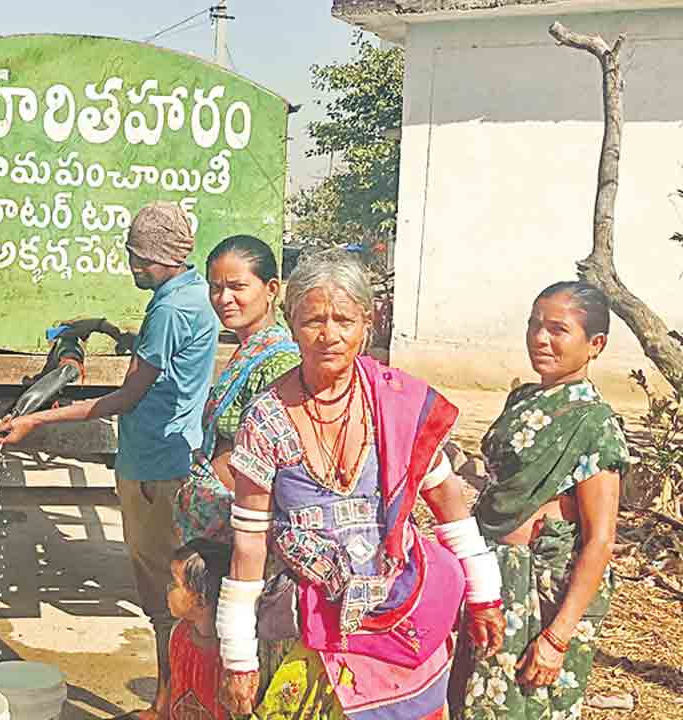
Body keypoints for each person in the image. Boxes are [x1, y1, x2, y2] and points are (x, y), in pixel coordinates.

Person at [214, 248, 506, 720]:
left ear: (366, 323)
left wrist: (483, 595)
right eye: (314, 321)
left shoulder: (398, 403)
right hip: (308, 626)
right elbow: (248, 546)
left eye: (343, 320)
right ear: (291, 325)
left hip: (403, 620)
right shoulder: (267, 420)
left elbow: (449, 506)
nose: (329, 335)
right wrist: (239, 657)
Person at [0, 202, 220, 720]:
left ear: (166, 257)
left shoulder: (168, 308)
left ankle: (167, 703)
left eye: (141, 259)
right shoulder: (188, 296)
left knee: (168, 597)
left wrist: (38, 420)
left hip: (153, 465)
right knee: (179, 589)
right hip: (174, 454)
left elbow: (123, 399)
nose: (133, 267)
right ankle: (177, 698)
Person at [449, 282, 628, 720]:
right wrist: (449, 459)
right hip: (489, 576)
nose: (539, 339)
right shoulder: (523, 398)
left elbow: (599, 542)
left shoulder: (595, 424)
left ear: (595, 345)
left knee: (520, 706)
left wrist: (556, 638)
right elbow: (500, 484)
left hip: (538, 596)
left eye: (557, 329)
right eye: (534, 325)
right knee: (466, 700)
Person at [176, 234, 300, 545]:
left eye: (237, 287)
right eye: (216, 288)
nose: (223, 298)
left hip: (242, 526)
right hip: (218, 517)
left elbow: (268, 453)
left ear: (271, 289)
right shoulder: (248, 348)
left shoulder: (280, 361)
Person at [165, 539, 233, 720]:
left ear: (201, 600)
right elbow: (174, 682)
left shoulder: (228, 657)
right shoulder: (180, 634)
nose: (168, 589)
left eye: (175, 584)